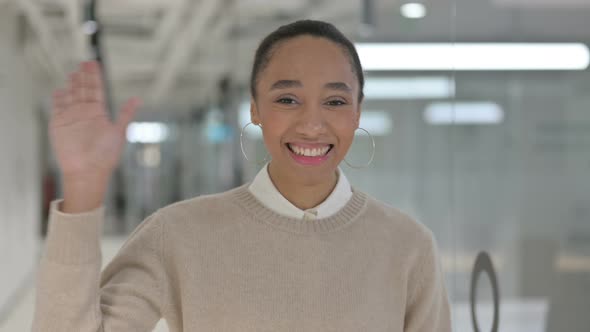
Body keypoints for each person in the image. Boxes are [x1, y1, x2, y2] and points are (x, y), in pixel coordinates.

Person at [32, 20, 451, 331]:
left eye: (335, 102)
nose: (311, 124)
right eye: (287, 98)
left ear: (357, 111)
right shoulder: (178, 234)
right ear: (254, 108)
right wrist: (83, 185)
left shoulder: (407, 246)